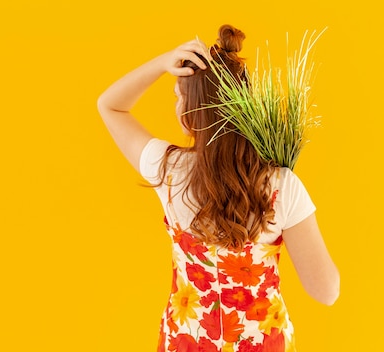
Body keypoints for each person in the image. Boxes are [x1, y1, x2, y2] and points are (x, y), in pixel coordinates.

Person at [97, 24, 339, 352]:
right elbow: (326, 291)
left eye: (178, 98)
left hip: (185, 342)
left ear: (189, 115)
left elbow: (110, 105)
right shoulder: (282, 186)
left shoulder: (167, 169)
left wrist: (163, 62)